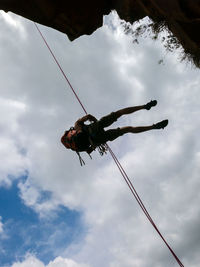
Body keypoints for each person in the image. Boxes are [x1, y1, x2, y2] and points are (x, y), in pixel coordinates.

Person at [61, 100, 168, 156]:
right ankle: (145, 106)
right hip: (94, 127)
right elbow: (89, 116)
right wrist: (95, 122)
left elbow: (90, 148)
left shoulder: (77, 147)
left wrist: (96, 142)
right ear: (70, 132)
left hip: (98, 139)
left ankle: (154, 127)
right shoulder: (77, 125)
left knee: (128, 129)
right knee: (119, 113)